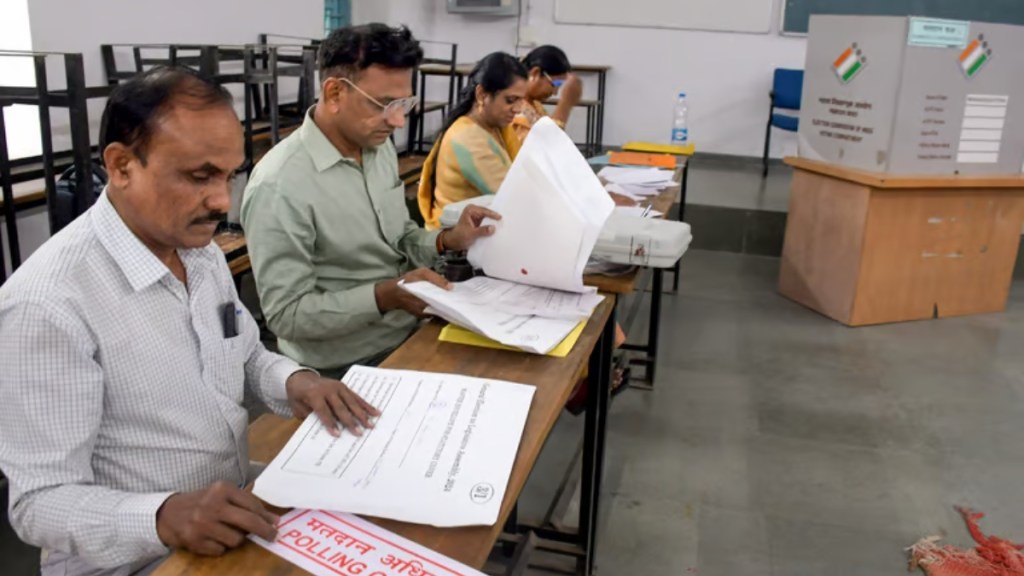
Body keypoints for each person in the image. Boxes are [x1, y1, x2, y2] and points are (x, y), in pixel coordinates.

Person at [0, 66, 377, 576]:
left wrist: (297, 382)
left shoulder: (199, 253)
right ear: (122, 165)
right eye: (200, 177)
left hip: (228, 512)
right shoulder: (47, 305)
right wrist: (161, 516)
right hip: (141, 559)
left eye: (229, 176)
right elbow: (39, 503)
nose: (223, 202)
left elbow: (245, 352)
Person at [241, 24, 499, 379]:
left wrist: (445, 239)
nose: (397, 120)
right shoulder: (280, 185)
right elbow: (288, 316)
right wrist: (385, 297)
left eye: (404, 103)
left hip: (408, 329)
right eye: (382, 104)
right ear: (334, 93)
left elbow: (398, 237)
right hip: (339, 366)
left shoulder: (377, 148)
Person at [418, 52, 528, 230]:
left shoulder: (493, 126)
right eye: (510, 100)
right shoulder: (468, 139)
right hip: (455, 243)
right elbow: (514, 199)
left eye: (521, 101)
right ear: (482, 95)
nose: (517, 109)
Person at [512, 45, 583, 144]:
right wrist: (565, 106)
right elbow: (542, 149)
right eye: (555, 84)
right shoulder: (514, 107)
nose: (555, 92)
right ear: (535, 73)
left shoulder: (536, 105)